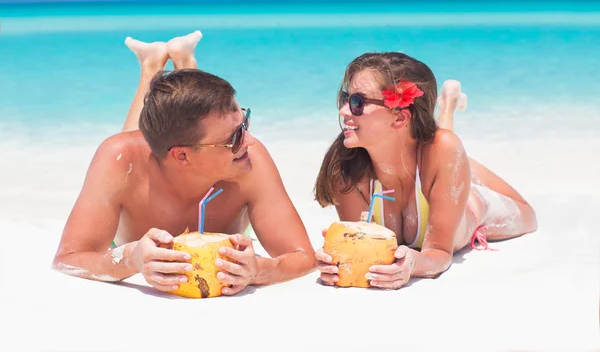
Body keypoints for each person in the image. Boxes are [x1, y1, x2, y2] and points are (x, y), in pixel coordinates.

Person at [52, 31, 315, 296]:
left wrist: (259, 269)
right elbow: (69, 259)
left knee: (179, 117)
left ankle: (177, 62)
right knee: (140, 140)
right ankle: (151, 67)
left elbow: (302, 257)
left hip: (183, 150)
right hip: (148, 170)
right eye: (233, 137)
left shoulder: (249, 161)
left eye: (244, 124)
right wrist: (130, 257)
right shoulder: (119, 158)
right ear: (182, 156)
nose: (250, 142)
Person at [314, 52, 537, 289]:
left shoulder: (443, 151)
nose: (344, 111)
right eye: (345, 98)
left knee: (527, 216)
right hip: (431, 163)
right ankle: (449, 123)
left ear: (399, 117)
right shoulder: (345, 166)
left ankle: (451, 126)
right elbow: (362, 254)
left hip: (468, 202)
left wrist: (413, 265)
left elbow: (439, 253)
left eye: (358, 103)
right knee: (441, 149)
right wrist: (336, 262)